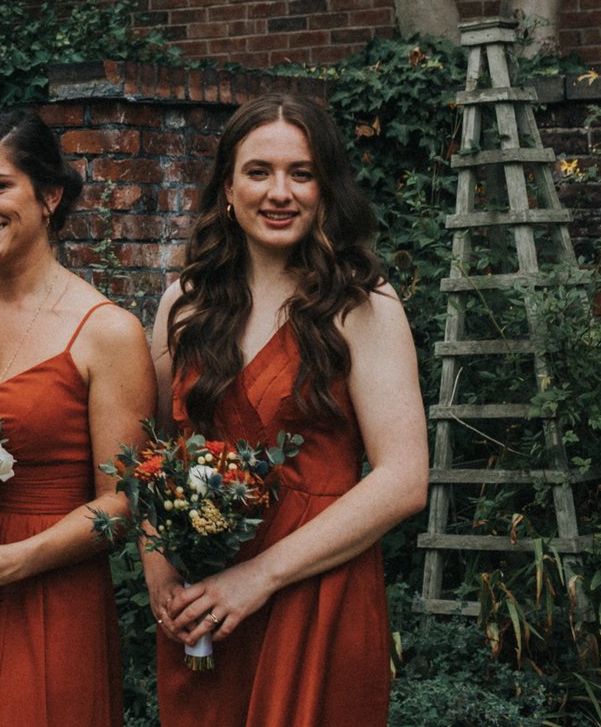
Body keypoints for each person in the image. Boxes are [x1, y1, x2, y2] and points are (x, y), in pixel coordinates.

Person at [147, 93, 427, 727]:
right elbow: (150, 462)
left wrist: (259, 578)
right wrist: (160, 575)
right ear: (226, 186)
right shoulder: (182, 307)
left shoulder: (365, 306)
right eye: (258, 171)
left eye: (301, 173)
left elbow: (404, 479)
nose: (280, 192)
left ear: (327, 188)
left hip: (318, 593)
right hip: (206, 603)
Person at [0, 112, 153, 727]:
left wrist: (12, 561)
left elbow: (122, 505)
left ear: (49, 195)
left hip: (48, 598)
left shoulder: (106, 332)